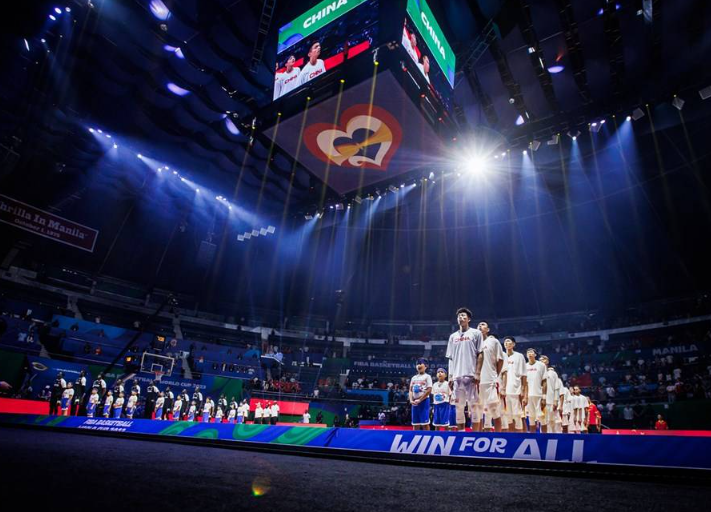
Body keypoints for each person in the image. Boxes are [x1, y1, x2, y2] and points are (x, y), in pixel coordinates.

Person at [446, 307, 483, 431]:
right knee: (458, 407)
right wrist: (450, 376)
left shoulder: (476, 333)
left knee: (474, 406)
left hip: (471, 375)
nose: (461, 318)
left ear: (469, 319)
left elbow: (480, 354)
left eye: (463, 316)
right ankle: (461, 434)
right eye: (459, 316)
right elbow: (450, 358)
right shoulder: (453, 337)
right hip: (457, 377)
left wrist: (478, 373)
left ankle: (475, 434)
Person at [478, 322, 504, 432]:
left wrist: (495, 374)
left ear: (488, 329)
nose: (480, 326)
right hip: (477, 382)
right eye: (478, 325)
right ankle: (477, 436)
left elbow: (500, 360)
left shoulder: (493, 341)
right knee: (477, 412)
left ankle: (498, 436)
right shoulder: (475, 342)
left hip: (490, 381)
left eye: (483, 324)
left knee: (494, 410)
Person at [501, 336, 527, 433]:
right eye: (505, 342)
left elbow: (524, 375)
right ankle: (510, 438)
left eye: (508, 341)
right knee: (507, 416)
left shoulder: (519, 356)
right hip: (503, 391)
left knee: (517, 415)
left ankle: (519, 437)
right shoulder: (501, 356)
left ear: (513, 344)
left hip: (516, 390)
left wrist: (523, 390)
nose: (506, 343)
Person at [525, 348, 547, 432]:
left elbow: (544, 381)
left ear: (535, 355)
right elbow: (523, 382)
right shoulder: (525, 366)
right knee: (531, 417)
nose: (530, 354)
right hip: (528, 396)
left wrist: (544, 397)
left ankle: (545, 436)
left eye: (531, 352)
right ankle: (532, 436)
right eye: (528, 352)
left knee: (541, 416)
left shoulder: (541, 365)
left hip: (538, 395)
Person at [539, 355, 561, 433]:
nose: (542, 361)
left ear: (547, 361)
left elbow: (556, 388)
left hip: (551, 401)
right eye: (540, 360)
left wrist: (556, 400)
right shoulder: (538, 372)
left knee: (554, 422)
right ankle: (544, 439)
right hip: (541, 402)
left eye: (544, 359)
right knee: (543, 422)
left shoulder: (553, 373)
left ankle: (556, 438)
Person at [409, 358, 432, 430]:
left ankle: (428, 436)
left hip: (424, 401)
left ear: (426, 366)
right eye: (417, 364)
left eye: (420, 364)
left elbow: (429, 390)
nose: (418, 365)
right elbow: (410, 390)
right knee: (415, 424)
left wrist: (420, 400)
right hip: (414, 402)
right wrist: (411, 400)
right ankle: (415, 436)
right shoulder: (413, 378)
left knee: (425, 424)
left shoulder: (427, 376)